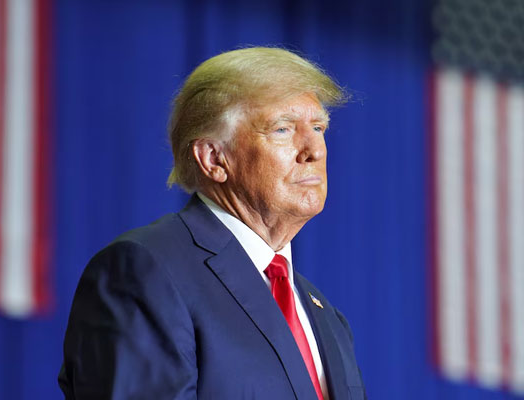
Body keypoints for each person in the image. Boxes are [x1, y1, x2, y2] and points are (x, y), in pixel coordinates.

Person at [58, 47, 366, 400]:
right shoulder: (145, 272)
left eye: (318, 127)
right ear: (213, 158)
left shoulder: (324, 315)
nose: (315, 149)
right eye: (282, 129)